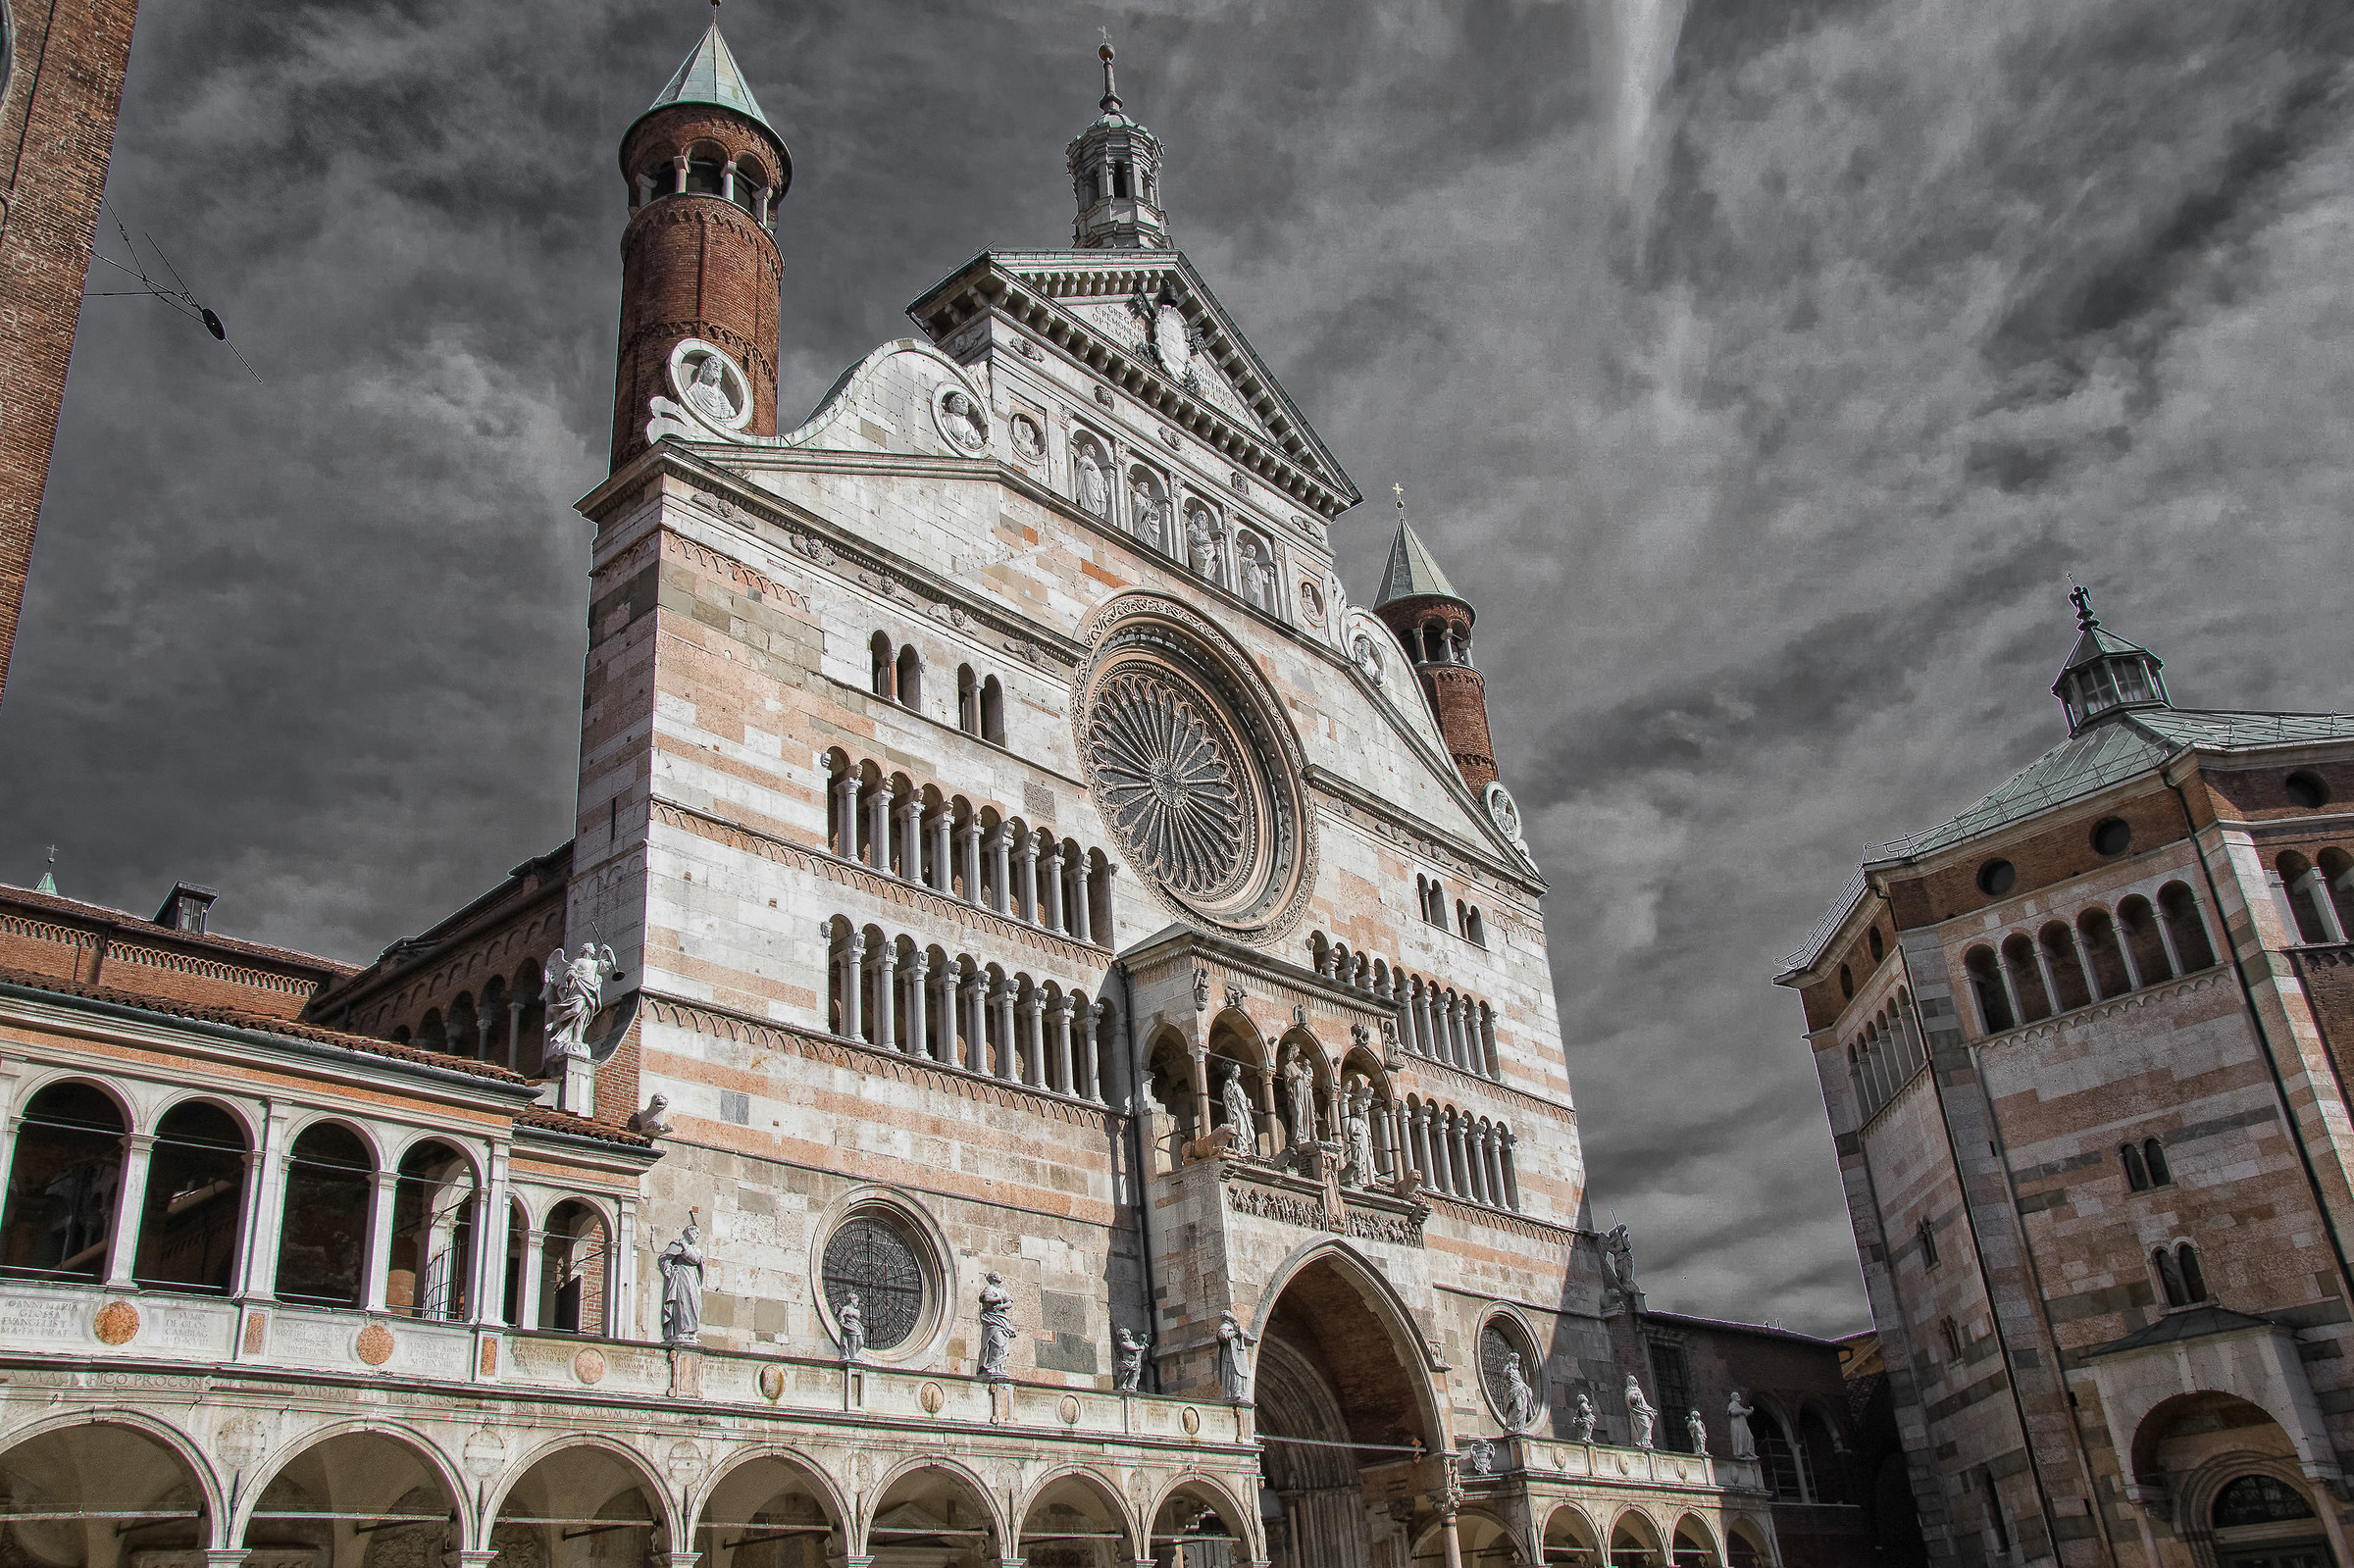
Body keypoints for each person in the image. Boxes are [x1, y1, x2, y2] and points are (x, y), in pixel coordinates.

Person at [658, 1215, 704, 1344]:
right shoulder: (677, 1244)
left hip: (692, 1279)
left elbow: (695, 1259)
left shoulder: (695, 1249)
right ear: (689, 1232)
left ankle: (691, 1333)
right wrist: (668, 1271)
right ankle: (681, 1332)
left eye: (698, 1234)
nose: (697, 1236)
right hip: (681, 1279)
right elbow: (664, 1258)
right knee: (682, 1304)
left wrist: (685, 1248)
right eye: (695, 1233)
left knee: (694, 1305)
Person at [977, 1271, 1014, 1379]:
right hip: (992, 1320)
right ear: (993, 1277)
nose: (999, 1276)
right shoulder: (989, 1289)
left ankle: (999, 1367)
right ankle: (991, 1366)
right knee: (996, 1342)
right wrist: (998, 1299)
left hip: (1001, 1319)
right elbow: (986, 1299)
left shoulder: (1002, 1290)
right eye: (997, 1274)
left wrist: (1001, 1306)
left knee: (1002, 1343)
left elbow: (1009, 1303)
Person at [685, 353, 739, 424]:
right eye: (714, 363)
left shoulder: (722, 397)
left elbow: (731, 413)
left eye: (719, 366)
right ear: (705, 367)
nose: (716, 367)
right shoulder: (696, 388)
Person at [1217, 1308, 1254, 1402]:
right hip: (1230, 1356)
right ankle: (1233, 1394)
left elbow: (1248, 1336)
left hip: (1239, 1356)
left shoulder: (1235, 1327)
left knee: (1242, 1374)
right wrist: (1234, 1333)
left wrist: (1241, 1333)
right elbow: (1223, 1336)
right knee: (1233, 1374)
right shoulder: (1224, 1326)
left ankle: (1241, 1393)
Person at [1625, 1375, 1657, 1449]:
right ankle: (1640, 1441)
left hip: (1644, 1411)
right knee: (1645, 1427)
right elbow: (1630, 1399)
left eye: (1635, 1379)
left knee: (1647, 1427)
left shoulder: (1638, 1390)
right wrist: (1636, 1398)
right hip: (1638, 1412)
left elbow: (1644, 1404)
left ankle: (1645, 1442)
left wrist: (1650, 1409)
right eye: (1633, 1380)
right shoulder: (1629, 1390)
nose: (1635, 1381)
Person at [1727, 1391, 1758, 1460]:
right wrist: (1742, 1411)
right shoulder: (1732, 1404)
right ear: (1733, 1398)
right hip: (1737, 1425)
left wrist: (1750, 1411)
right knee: (1740, 1438)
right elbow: (1733, 1412)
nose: (1739, 1397)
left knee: (1749, 1437)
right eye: (1737, 1396)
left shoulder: (1739, 1406)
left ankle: (1749, 1453)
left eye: (1739, 1395)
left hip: (1743, 1424)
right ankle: (1742, 1454)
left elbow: (1745, 1413)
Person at [1114, 1328, 1147, 1392]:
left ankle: (1131, 1386)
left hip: (1135, 1362)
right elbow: (1131, 1349)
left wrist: (1143, 1346)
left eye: (1125, 1335)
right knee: (1125, 1373)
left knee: (1134, 1374)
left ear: (1129, 1335)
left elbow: (1138, 1352)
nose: (1123, 1337)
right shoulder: (1123, 1344)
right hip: (1127, 1362)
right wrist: (1138, 1348)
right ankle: (1122, 1384)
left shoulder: (1133, 1343)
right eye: (1122, 1336)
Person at [838, 1291, 865, 1360]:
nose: (857, 1303)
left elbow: (857, 1318)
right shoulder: (845, 1308)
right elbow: (841, 1314)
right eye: (857, 1301)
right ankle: (853, 1356)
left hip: (857, 1327)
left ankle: (853, 1353)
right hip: (850, 1327)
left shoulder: (857, 1311)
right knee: (853, 1342)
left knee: (861, 1343)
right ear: (852, 1300)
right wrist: (842, 1320)